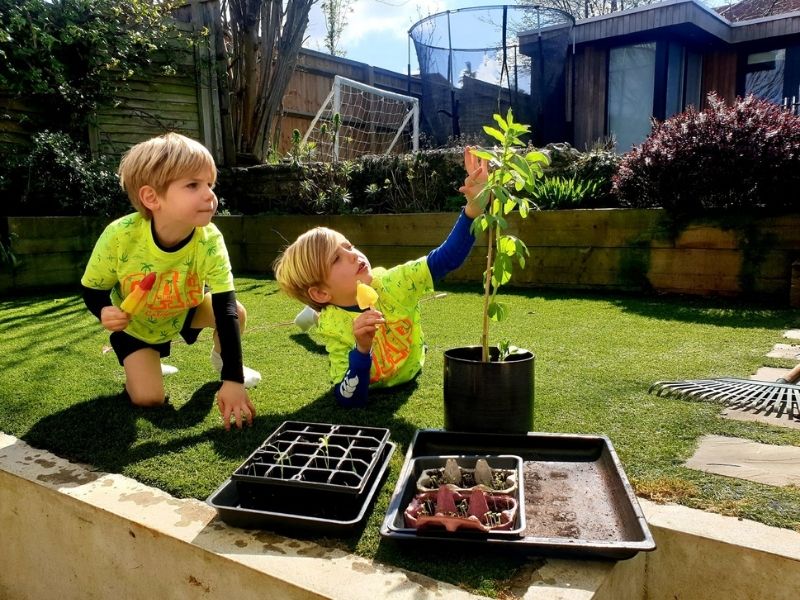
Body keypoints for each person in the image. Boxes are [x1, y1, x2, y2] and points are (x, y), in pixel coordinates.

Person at [273, 148, 488, 407]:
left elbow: (445, 260)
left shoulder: (392, 283)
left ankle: (314, 310)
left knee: (338, 304)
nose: (353, 255)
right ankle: (316, 311)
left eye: (349, 246)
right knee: (330, 314)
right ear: (320, 291)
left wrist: (473, 209)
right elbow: (348, 397)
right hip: (334, 311)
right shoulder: (334, 327)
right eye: (336, 258)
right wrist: (362, 350)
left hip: (408, 364)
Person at [81, 132, 260, 430]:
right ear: (152, 197)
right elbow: (92, 288)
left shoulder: (210, 239)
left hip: (183, 310)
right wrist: (103, 310)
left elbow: (225, 307)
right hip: (136, 327)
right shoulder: (120, 235)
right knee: (148, 399)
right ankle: (142, 364)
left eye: (209, 184)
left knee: (238, 313)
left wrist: (233, 378)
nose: (209, 195)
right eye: (193, 185)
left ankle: (222, 359)